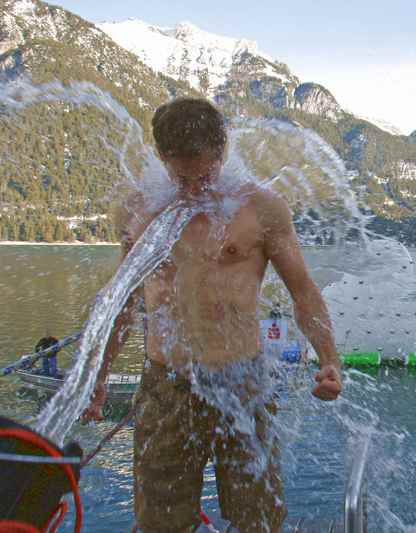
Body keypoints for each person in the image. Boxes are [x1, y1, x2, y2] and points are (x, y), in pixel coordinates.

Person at [83, 97, 342, 533]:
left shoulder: (261, 208)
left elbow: (304, 293)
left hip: (242, 380)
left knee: (257, 516)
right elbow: (124, 301)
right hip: (167, 382)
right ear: (163, 159)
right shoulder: (138, 211)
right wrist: (99, 378)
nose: (194, 190)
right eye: (182, 178)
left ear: (222, 153)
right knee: (159, 520)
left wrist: (329, 360)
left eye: (204, 175)